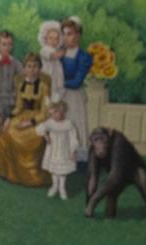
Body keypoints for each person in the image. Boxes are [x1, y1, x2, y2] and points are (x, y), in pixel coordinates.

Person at [0, 53, 52, 188]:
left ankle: (30, 176)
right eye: (29, 66)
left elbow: (45, 112)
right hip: (22, 115)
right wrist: (9, 118)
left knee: (32, 136)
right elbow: (18, 106)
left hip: (37, 118)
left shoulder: (43, 86)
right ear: (24, 69)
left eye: (35, 66)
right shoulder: (21, 84)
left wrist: (30, 122)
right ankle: (8, 172)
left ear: (40, 69)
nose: (32, 69)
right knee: (7, 132)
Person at [60, 17, 93, 161]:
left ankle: (76, 157)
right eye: (65, 34)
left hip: (74, 97)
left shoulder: (84, 57)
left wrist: (58, 83)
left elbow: (76, 82)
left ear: (78, 35)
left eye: (71, 34)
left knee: (74, 124)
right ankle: (59, 155)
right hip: (59, 95)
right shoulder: (59, 54)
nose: (67, 38)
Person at [37, 100, 81, 199]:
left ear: (63, 113)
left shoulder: (68, 124)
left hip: (64, 150)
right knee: (54, 170)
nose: (55, 115)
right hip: (53, 150)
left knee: (62, 171)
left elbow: (73, 138)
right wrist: (46, 135)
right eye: (53, 113)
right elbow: (40, 128)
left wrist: (73, 150)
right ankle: (54, 186)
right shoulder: (50, 123)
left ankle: (62, 187)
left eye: (58, 113)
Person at [0, 30, 22, 124]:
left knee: (11, 121)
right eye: (4, 44)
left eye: (9, 44)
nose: (7, 47)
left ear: (12, 46)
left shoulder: (16, 63)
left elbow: (22, 80)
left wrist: (17, 95)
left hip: (12, 98)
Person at [37, 20, 65, 103]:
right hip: (48, 75)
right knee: (48, 95)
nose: (53, 41)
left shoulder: (55, 49)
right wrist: (62, 53)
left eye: (56, 39)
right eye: (51, 38)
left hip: (56, 77)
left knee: (57, 94)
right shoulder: (45, 49)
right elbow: (53, 56)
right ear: (45, 39)